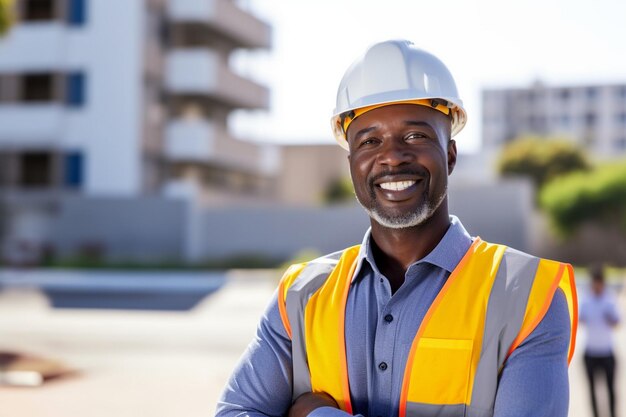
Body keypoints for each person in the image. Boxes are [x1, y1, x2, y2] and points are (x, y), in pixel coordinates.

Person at [216, 40, 578, 417]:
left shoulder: (527, 297)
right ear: (353, 163)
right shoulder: (302, 296)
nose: (391, 156)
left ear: (450, 155)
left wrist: (315, 414)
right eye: (370, 141)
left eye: (415, 136)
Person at [580, 264, 621, 417]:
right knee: (592, 390)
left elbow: (618, 322)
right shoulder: (586, 299)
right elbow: (580, 319)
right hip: (590, 352)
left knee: (610, 389)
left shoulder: (609, 300)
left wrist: (610, 319)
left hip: (607, 352)